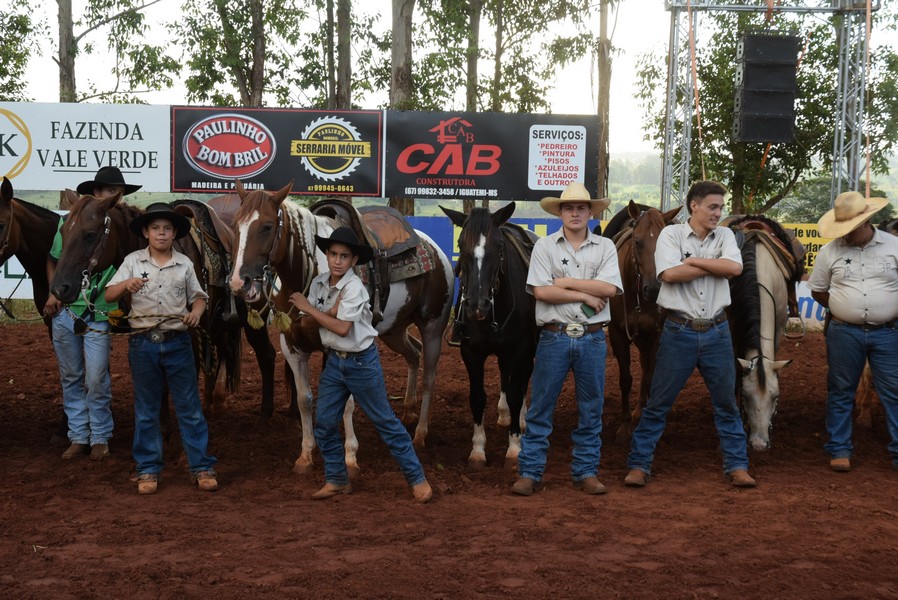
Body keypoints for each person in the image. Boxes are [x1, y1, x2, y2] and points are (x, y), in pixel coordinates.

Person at [624, 180, 756, 488]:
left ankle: (737, 465)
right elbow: (669, 274)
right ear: (693, 206)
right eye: (712, 207)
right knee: (658, 402)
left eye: (720, 207)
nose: (718, 213)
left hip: (716, 330)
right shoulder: (671, 235)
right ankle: (639, 465)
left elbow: (735, 269)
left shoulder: (725, 235)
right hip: (679, 330)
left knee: (727, 404)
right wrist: (715, 266)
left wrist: (693, 261)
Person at [287, 227, 433, 503]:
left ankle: (417, 479)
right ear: (326, 255)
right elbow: (310, 322)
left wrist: (312, 310)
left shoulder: (354, 287)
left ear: (354, 260)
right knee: (325, 424)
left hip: (361, 363)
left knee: (385, 422)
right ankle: (337, 479)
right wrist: (327, 312)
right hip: (335, 362)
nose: (337, 260)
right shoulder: (319, 283)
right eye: (333, 254)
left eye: (344, 256)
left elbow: (341, 328)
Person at [511, 182, 622, 496]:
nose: (575, 213)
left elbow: (609, 289)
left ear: (590, 213)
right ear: (560, 213)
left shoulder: (605, 246)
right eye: (569, 208)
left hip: (592, 337)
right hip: (554, 335)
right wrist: (586, 292)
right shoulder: (545, 246)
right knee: (540, 407)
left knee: (591, 409)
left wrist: (565, 283)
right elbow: (541, 292)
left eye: (581, 208)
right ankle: (530, 472)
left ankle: (586, 471)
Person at [105, 202, 217, 495]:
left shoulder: (184, 264)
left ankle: (201, 466)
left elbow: (199, 298)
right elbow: (109, 294)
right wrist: (126, 285)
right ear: (146, 232)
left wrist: (196, 313)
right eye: (155, 228)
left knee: (189, 407)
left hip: (178, 342)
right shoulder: (132, 262)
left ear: (175, 234)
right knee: (147, 409)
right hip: (143, 343)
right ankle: (148, 468)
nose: (162, 233)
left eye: (167, 228)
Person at [44, 166, 142, 461]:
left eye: (116, 192)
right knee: (71, 376)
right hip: (66, 312)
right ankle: (78, 436)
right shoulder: (71, 224)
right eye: (106, 191)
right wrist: (53, 292)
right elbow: (53, 258)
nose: (111, 197)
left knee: (97, 377)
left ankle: (100, 435)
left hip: (98, 312)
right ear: (95, 193)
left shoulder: (117, 231)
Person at [807, 191, 898, 473]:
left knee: (894, 391)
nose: (845, 234)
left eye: (851, 228)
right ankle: (839, 448)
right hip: (845, 331)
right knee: (840, 390)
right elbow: (818, 290)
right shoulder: (829, 251)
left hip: (888, 331)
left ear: (866, 222)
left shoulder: (894, 246)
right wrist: (842, 307)